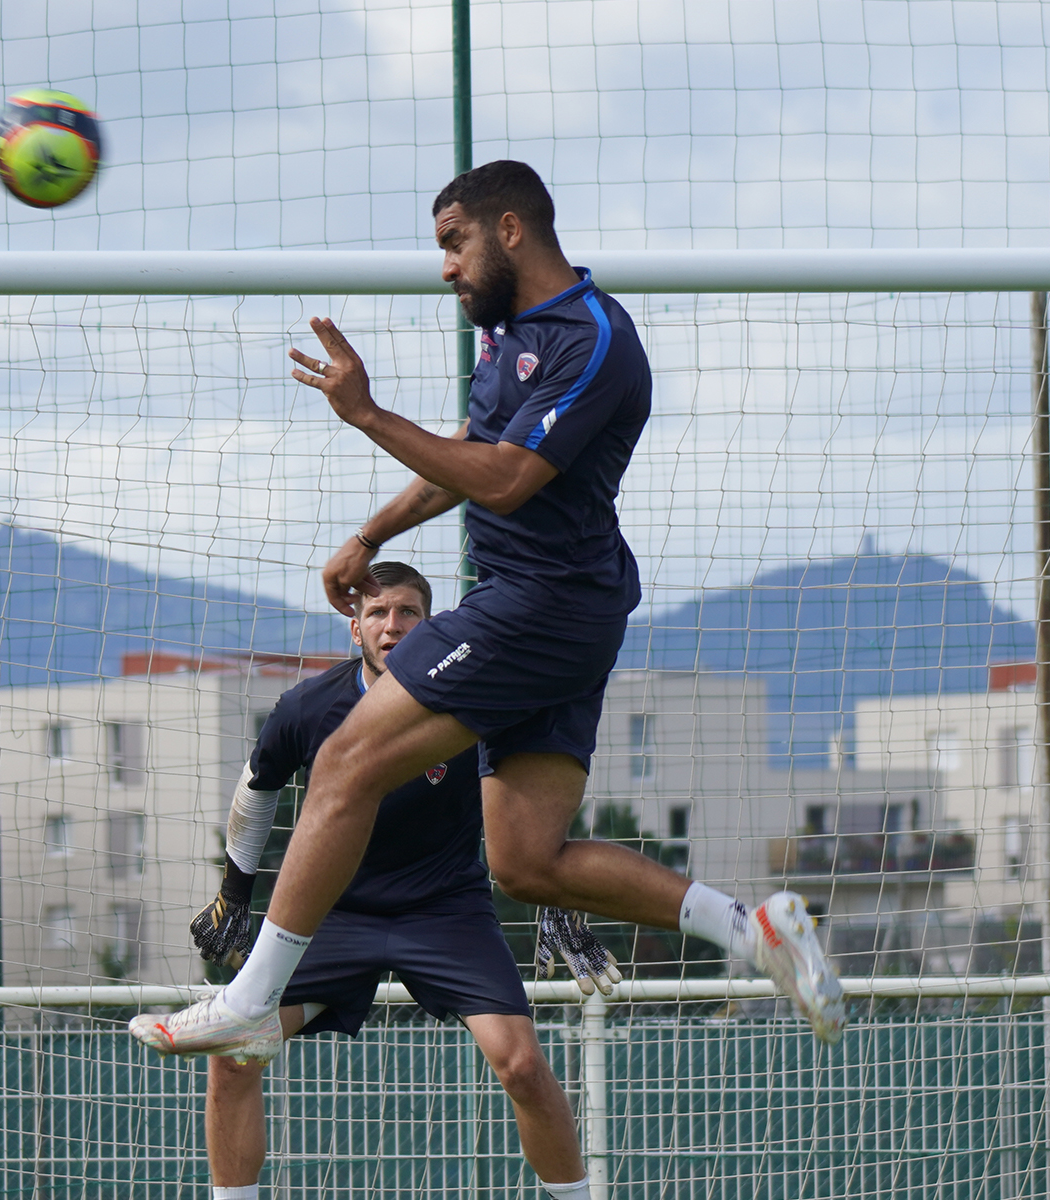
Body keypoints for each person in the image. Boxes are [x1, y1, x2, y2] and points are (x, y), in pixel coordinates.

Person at [139, 160, 845, 1059]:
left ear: (510, 229)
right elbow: (471, 450)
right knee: (526, 861)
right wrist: (368, 534)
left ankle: (251, 997)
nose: (445, 267)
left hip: (537, 607)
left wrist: (365, 413)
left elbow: (506, 482)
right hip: (557, 610)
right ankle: (755, 931)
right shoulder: (514, 332)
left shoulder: (592, 337)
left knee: (346, 759)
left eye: (453, 242)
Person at [133, 561, 617, 1200]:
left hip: (446, 910)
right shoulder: (307, 706)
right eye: (378, 613)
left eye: (409, 612)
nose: (393, 625)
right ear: (354, 628)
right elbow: (256, 791)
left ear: (431, 626)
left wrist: (558, 898)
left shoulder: (477, 700)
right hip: (328, 916)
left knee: (523, 1066)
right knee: (233, 1054)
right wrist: (235, 892)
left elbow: (539, 787)